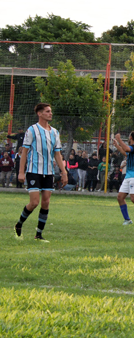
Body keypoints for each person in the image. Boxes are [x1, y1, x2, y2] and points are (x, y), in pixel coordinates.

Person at [14, 103, 68, 242]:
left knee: (46, 202)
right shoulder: (32, 130)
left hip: (48, 172)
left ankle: (38, 234)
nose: (50, 113)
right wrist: (21, 172)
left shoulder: (55, 132)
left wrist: (64, 172)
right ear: (39, 113)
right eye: (47, 111)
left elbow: (57, 154)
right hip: (33, 171)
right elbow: (24, 152)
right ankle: (19, 225)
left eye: (51, 111)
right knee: (34, 203)